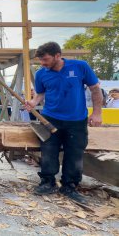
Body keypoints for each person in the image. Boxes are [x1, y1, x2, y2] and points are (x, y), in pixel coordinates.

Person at [25, 42, 102, 205]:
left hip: (76, 120)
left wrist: (97, 113)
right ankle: (47, 182)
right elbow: (40, 93)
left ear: (58, 56)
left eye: (45, 59)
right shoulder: (41, 74)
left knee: (74, 153)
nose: (42, 63)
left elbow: (95, 89)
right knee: (48, 150)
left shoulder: (80, 66)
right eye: (40, 60)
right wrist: (33, 102)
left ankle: (70, 186)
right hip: (49, 118)